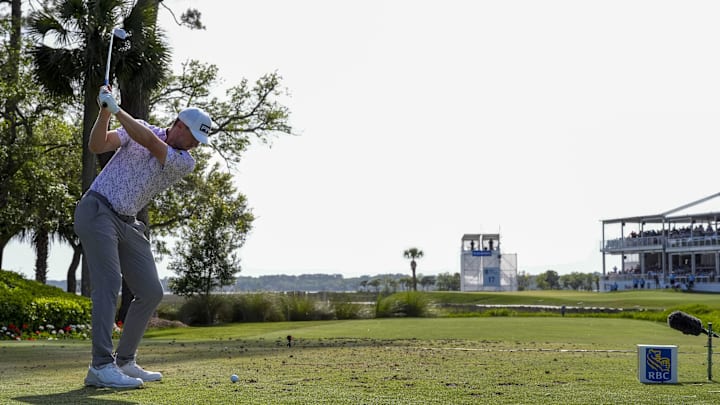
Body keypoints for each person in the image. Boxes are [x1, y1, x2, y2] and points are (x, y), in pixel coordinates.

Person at [74, 86, 212, 388]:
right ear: (178, 125)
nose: (196, 146)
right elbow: (97, 145)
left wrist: (117, 109)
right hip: (97, 209)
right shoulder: (138, 128)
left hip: (127, 222)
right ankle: (99, 366)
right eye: (193, 138)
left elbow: (149, 141)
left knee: (151, 292)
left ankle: (125, 361)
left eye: (200, 142)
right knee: (109, 285)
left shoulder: (184, 161)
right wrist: (104, 113)